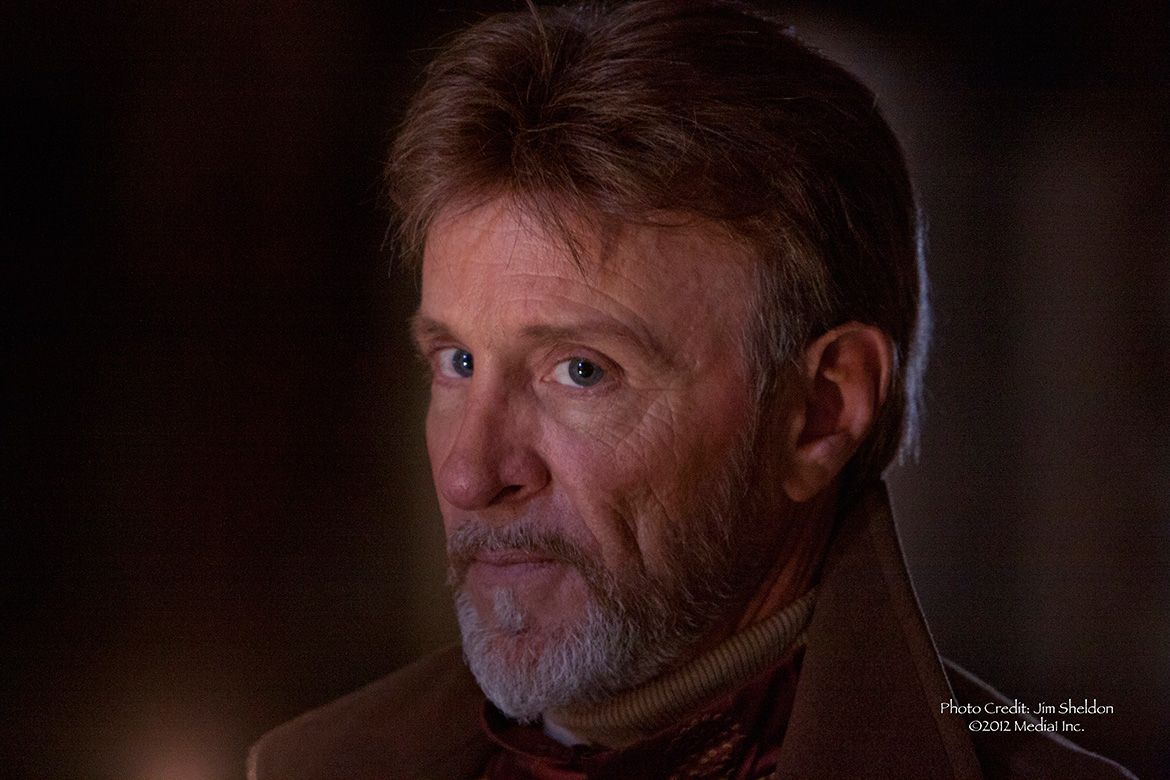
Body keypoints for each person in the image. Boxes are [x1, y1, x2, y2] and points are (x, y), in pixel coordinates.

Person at [249, 2, 1137, 778]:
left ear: (821, 412)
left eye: (582, 371)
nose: (468, 475)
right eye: (458, 363)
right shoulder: (310, 768)